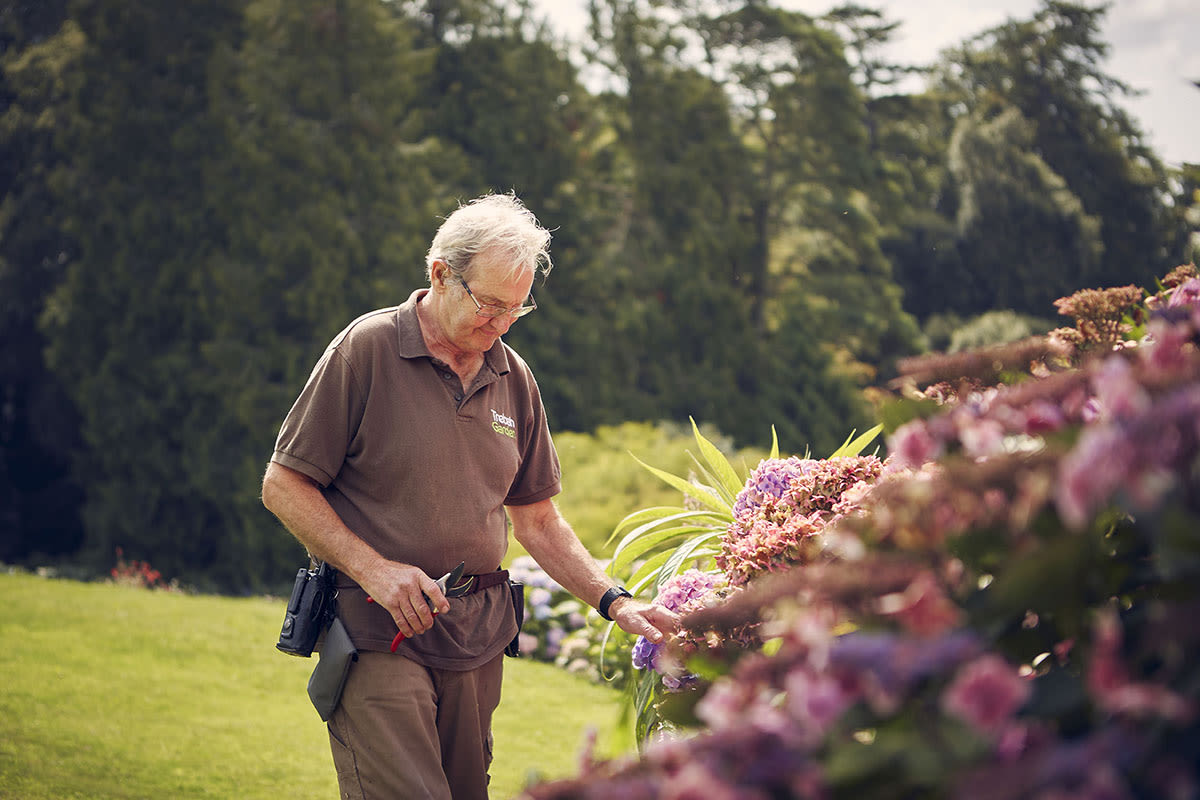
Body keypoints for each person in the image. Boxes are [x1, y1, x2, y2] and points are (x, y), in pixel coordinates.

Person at [261, 192, 679, 800]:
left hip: (476, 639)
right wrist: (374, 570)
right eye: (490, 305)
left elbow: (538, 520)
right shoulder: (366, 350)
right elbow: (284, 484)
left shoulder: (514, 376)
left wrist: (615, 600)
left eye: (518, 309)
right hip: (377, 631)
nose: (503, 325)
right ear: (439, 274)